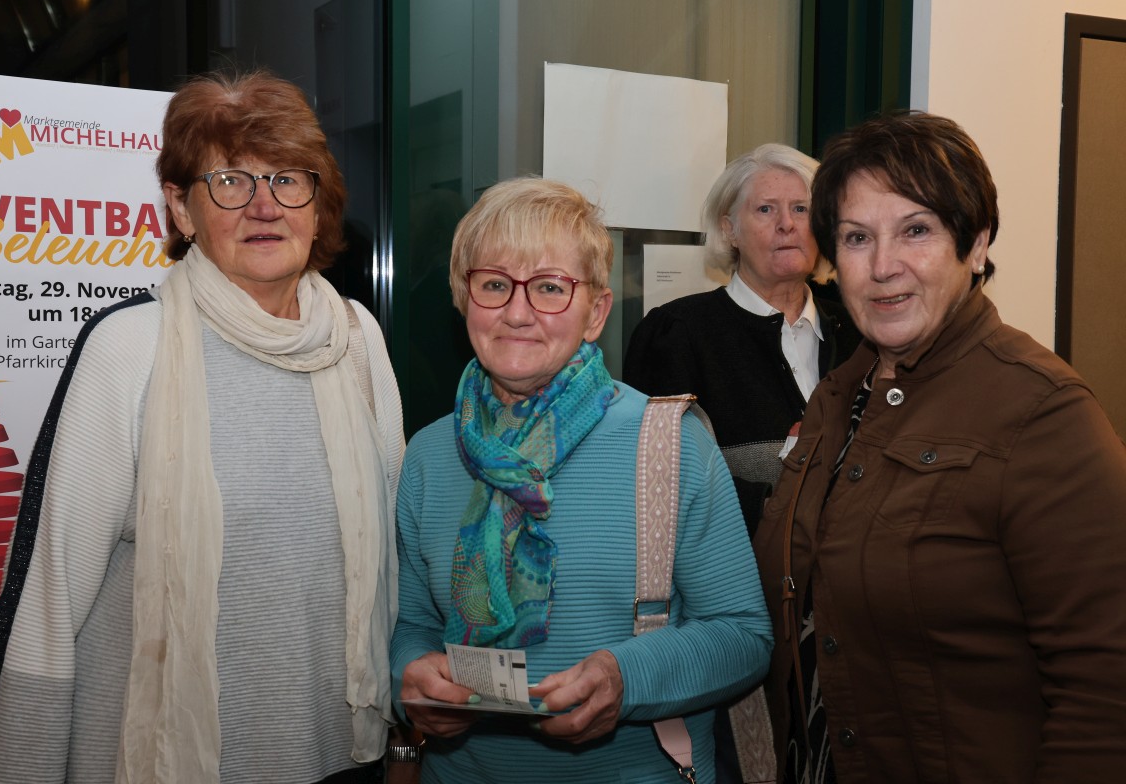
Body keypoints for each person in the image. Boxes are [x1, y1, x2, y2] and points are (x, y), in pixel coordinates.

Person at [0, 70, 404, 784]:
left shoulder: (356, 340)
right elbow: (47, 598)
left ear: (317, 202)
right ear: (181, 208)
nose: (264, 205)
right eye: (230, 181)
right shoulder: (129, 347)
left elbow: (390, 560)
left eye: (287, 180)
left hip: (337, 757)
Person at [754, 110, 1126, 783]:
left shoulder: (1042, 413)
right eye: (857, 238)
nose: (883, 266)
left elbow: (1105, 688)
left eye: (916, 230)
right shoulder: (838, 397)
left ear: (975, 245)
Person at [391, 177, 772, 783]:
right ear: (464, 299)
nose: (517, 313)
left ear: (595, 313)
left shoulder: (668, 445)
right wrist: (408, 674)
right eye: (494, 284)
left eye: (549, 287)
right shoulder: (429, 455)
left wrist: (627, 679)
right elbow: (413, 626)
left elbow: (743, 636)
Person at [624, 144, 861, 535]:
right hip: (736, 567)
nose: (786, 224)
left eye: (801, 209)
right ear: (728, 230)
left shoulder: (861, 331)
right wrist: (775, 504)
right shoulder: (676, 333)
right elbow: (658, 481)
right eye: (765, 209)